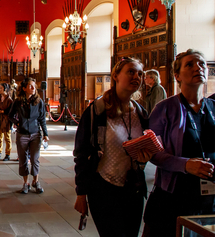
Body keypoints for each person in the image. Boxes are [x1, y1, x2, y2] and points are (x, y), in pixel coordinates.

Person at [73, 57, 153, 237]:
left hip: (133, 188)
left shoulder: (140, 113)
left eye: (140, 74)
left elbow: (145, 150)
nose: (137, 77)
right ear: (115, 75)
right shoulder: (97, 110)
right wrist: (81, 193)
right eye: (131, 72)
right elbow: (82, 153)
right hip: (103, 188)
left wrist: (144, 160)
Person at [143, 50, 215, 237]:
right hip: (174, 195)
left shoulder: (213, 107)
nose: (197, 68)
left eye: (201, 64)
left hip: (210, 196)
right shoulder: (165, 109)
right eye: (189, 64)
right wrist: (185, 165)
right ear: (177, 75)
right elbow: (152, 152)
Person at [9, 77, 49, 194]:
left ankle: (35, 181)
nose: (33, 88)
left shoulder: (39, 101)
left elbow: (42, 119)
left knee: (35, 159)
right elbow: (10, 115)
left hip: (36, 134)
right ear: (25, 88)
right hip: (22, 134)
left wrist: (45, 134)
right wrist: (17, 123)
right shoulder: (18, 101)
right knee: (23, 159)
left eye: (34, 86)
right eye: (30, 86)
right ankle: (25, 183)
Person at [0, 83, 13, 161]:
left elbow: (10, 111)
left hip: (6, 121)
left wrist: (1, 111)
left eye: (1, 88)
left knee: (7, 138)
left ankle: (8, 154)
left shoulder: (9, 99)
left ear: (5, 89)